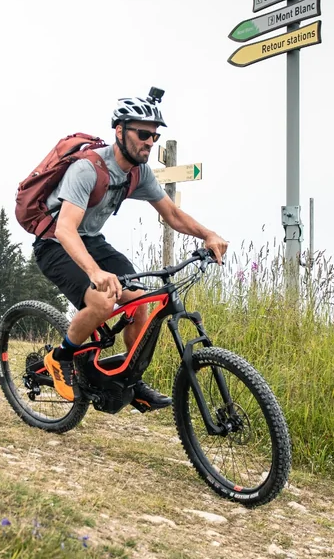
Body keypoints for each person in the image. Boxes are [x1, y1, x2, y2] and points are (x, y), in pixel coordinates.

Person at [36, 92, 228, 411]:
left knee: (140, 300)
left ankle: (131, 382)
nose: (150, 142)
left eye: (154, 135)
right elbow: (65, 229)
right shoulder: (87, 169)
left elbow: (172, 214)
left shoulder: (139, 173)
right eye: (143, 133)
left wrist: (208, 234)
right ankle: (61, 357)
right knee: (101, 300)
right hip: (55, 243)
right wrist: (95, 273)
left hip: (92, 240)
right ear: (120, 131)